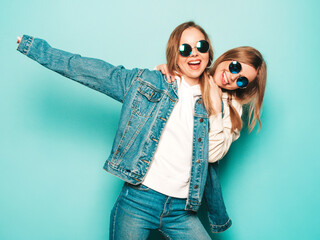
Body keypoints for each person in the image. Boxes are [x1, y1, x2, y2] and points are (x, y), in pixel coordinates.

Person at [16, 21, 266, 239]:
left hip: (182, 210)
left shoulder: (224, 109)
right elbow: (88, 70)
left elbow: (211, 155)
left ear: (209, 53)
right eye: (185, 48)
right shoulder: (150, 82)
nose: (194, 53)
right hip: (138, 201)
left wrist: (222, 106)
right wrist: (35, 48)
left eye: (201, 47)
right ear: (174, 54)